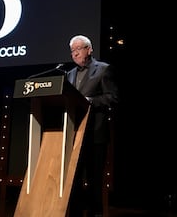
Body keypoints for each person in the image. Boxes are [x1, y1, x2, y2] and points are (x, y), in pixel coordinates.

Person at [66, 34, 119, 217]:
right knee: (74, 178)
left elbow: (112, 97)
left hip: (95, 134)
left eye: (78, 49)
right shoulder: (69, 74)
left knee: (95, 179)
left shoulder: (103, 69)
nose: (74, 53)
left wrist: (89, 101)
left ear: (89, 49)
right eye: (72, 50)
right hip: (74, 135)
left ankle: (96, 212)